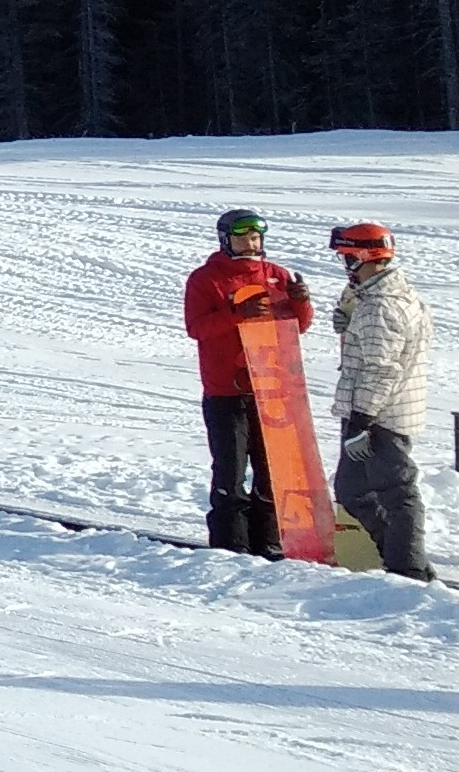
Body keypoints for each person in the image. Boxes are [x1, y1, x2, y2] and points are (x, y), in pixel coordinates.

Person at [180, 207, 313, 556]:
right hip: (226, 390)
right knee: (231, 469)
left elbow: (297, 326)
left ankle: (267, 539)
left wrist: (301, 302)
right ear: (226, 241)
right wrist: (237, 315)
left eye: (255, 238)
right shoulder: (206, 279)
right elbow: (197, 328)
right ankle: (230, 544)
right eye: (243, 239)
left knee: (271, 471)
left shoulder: (275, 274)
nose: (251, 245)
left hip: (270, 387)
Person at [326, 220, 437, 581]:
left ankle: (409, 568)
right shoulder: (390, 295)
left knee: (396, 491)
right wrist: (349, 322)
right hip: (381, 410)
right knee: (351, 490)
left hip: (380, 416)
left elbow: (380, 370)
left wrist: (362, 421)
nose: (345, 265)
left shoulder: (379, 306)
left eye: (347, 257)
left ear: (362, 257)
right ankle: (397, 555)